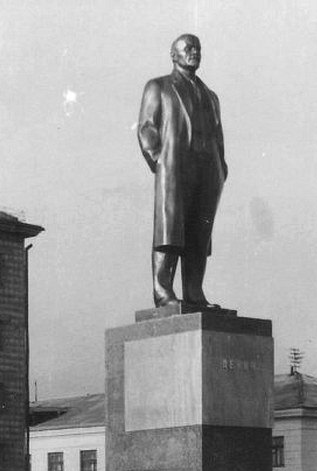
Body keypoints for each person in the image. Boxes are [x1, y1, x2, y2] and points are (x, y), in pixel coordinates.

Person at [138, 33, 227, 310]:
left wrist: (220, 168)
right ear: (173, 54)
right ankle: (163, 292)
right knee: (169, 234)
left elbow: (218, 135)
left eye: (197, 48)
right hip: (175, 170)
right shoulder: (159, 86)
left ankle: (194, 293)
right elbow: (147, 127)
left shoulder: (211, 96)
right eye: (188, 48)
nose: (194, 52)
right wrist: (160, 161)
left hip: (207, 172)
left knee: (199, 236)